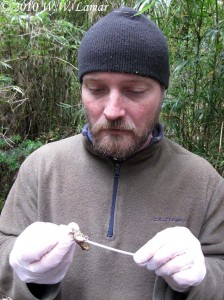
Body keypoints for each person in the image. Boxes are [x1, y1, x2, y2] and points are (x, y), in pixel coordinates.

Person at [0, 6, 224, 300]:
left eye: (135, 91)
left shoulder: (203, 181)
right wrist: (26, 274)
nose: (113, 110)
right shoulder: (42, 168)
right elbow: (4, 256)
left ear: (162, 95)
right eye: (96, 89)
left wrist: (200, 281)